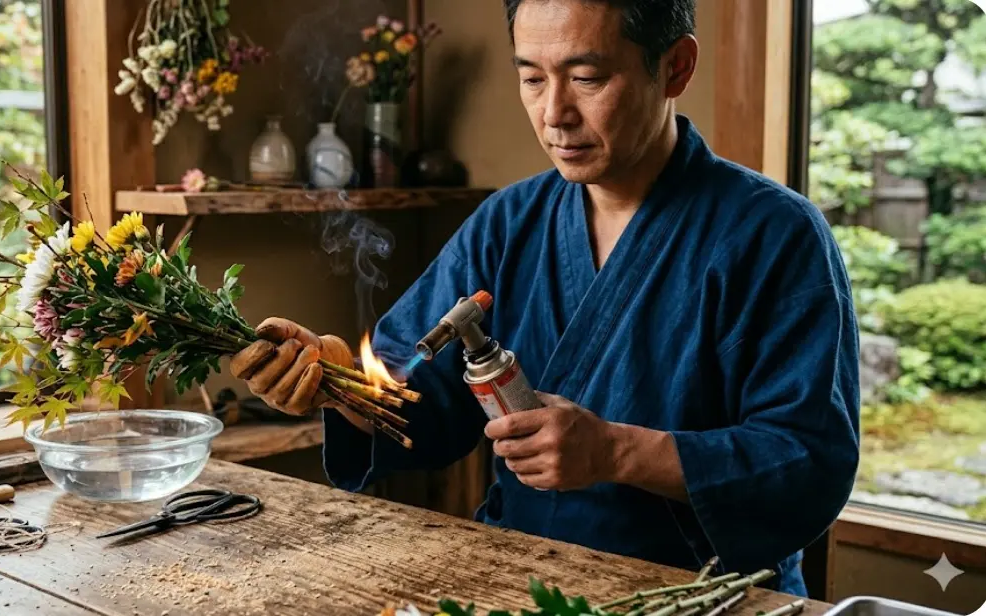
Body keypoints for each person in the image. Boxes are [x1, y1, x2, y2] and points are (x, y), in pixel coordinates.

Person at [230, 0, 859, 596]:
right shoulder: (508, 223)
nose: (553, 113)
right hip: (517, 576)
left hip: (700, 593)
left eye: (586, 77)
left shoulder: (776, 236)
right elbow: (420, 396)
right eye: (531, 79)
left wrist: (614, 451)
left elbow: (807, 459)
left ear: (675, 67)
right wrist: (338, 382)